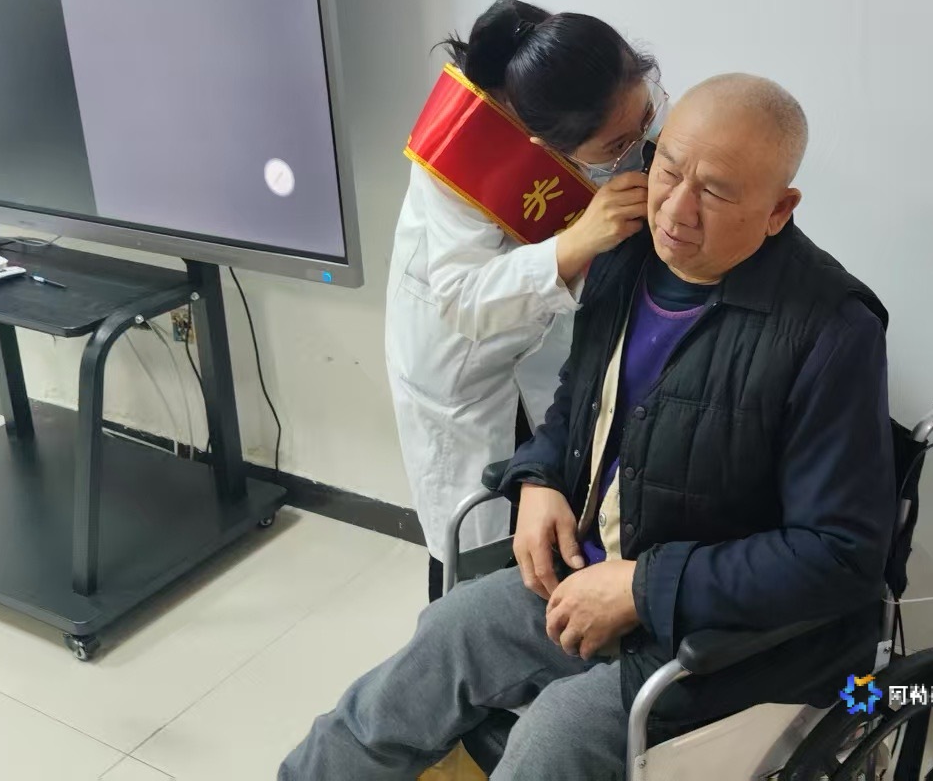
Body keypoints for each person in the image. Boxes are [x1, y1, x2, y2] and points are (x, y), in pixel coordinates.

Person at [280, 74, 897, 781]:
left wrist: (640, 588)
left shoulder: (831, 331)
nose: (677, 210)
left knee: (555, 736)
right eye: (668, 171)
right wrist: (540, 478)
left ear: (779, 209)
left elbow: (842, 556)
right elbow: (580, 404)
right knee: (437, 647)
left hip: (725, 637)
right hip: (592, 572)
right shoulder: (628, 256)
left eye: (716, 193)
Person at [385, 0, 666, 601]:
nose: (639, 145)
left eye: (646, 115)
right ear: (548, 145)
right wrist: (577, 242)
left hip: (551, 356)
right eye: (618, 143)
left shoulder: (592, 81)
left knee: (554, 522)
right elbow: (463, 299)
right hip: (465, 364)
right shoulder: (464, 150)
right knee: (476, 559)